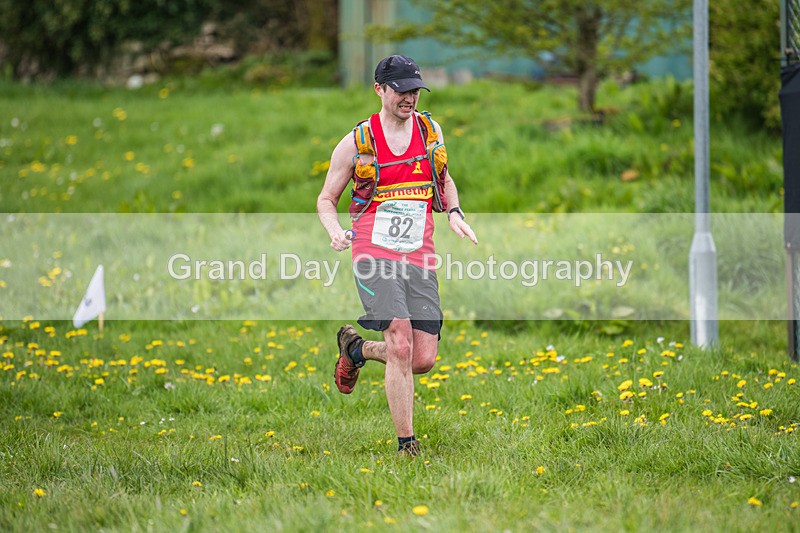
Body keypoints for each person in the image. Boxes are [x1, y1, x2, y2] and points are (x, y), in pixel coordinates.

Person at [316, 54, 477, 456]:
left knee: (421, 358)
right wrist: (335, 230)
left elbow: (444, 178)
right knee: (400, 343)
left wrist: (454, 211)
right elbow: (326, 198)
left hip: (419, 252)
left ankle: (356, 350)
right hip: (372, 249)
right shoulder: (357, 142)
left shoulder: (430, 130)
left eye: (415, 91)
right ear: (379, 90)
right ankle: (407, 445)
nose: (410, 98)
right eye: (402, 90)